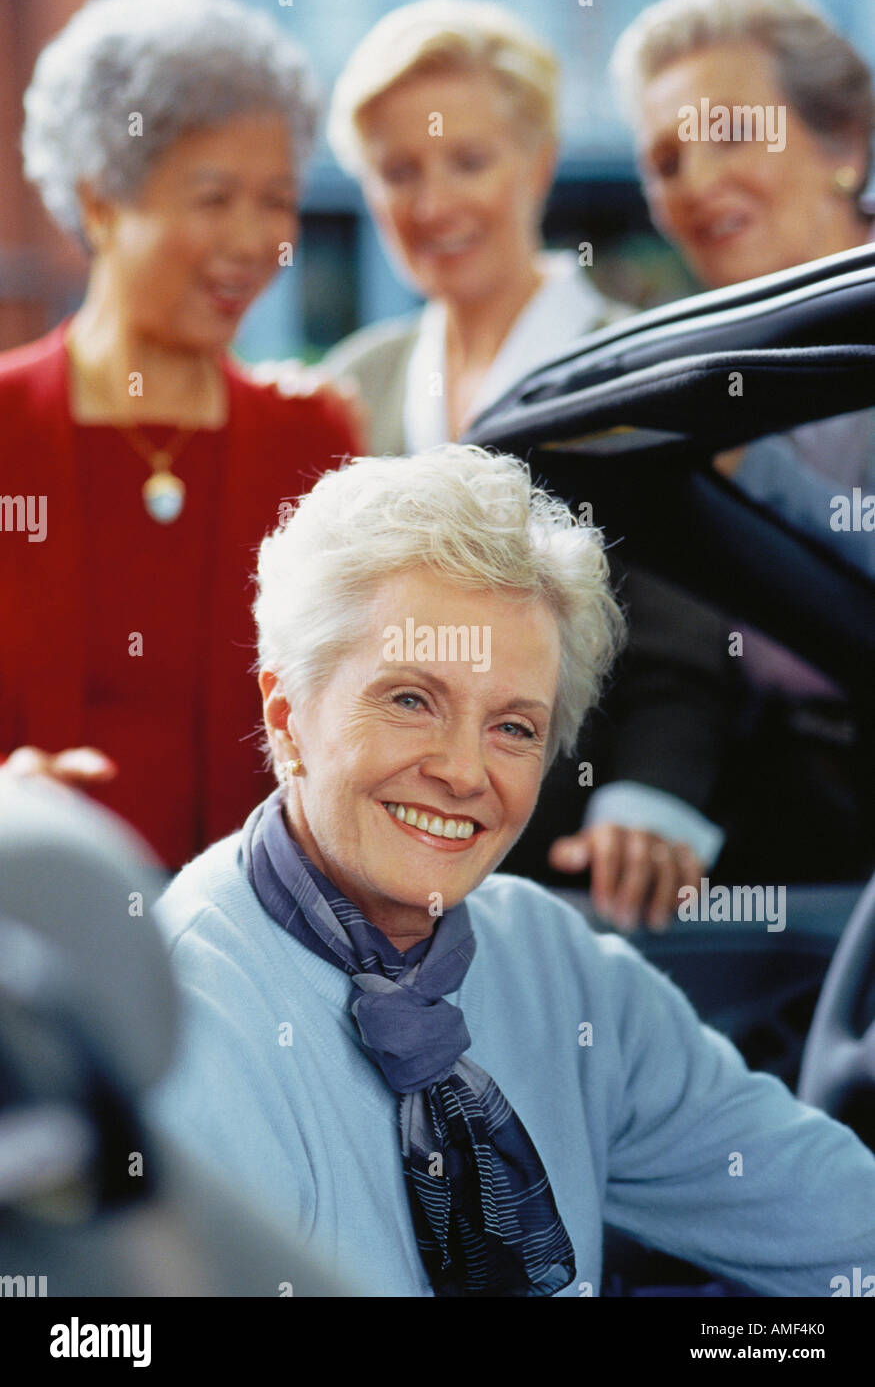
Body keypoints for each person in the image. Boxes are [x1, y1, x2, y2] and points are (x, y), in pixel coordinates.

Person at [148, 443, 875, 1297]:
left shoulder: (558, 967)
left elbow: (832, 1216)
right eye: (412, 700)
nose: (463, 772)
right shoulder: (183, 1021)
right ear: (287, 715)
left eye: (514, 728)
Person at [313, 0, 733, 931]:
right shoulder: (352, 387)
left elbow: (685, 640)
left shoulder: (639, 372)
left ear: (538, 160)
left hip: (585, 871)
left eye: (469, 161)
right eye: (397, 172)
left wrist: (650, 801)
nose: (433, 204)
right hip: (378, 871)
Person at [0, 0, 360, 870]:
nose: (252, 240)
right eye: (213, 198)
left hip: (264, 955)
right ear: (100, 203)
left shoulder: (313, 436)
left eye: (276, 201)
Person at [611, 0, 875, 881]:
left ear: (842, 144)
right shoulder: (687, 370)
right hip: (774, 835)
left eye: (728, 135)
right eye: (664, 160)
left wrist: (736, 463)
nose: (690, 183)